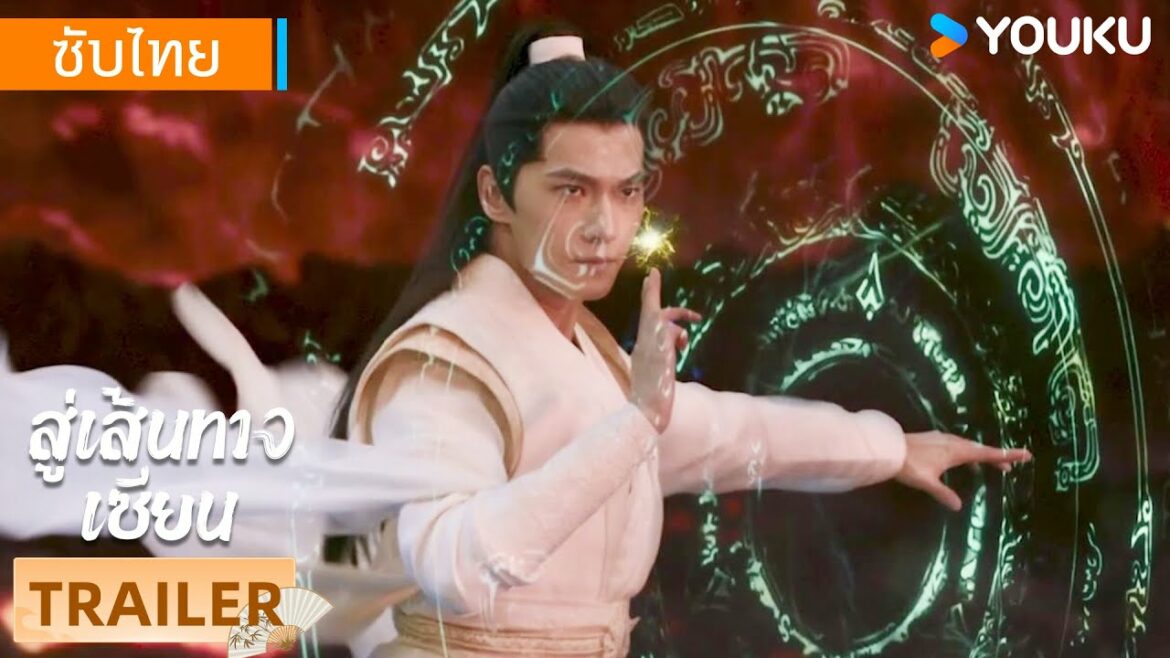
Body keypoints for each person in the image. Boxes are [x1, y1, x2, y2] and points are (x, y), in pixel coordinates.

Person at [323, 22, 1033, 658]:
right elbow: (453, 566)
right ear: (494, 194)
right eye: (571, 190)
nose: (605, 228)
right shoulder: (444, 363)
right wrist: (634, 423)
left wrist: (891, 448)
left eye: (626, 192)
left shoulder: (584, 357)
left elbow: (735, 433)